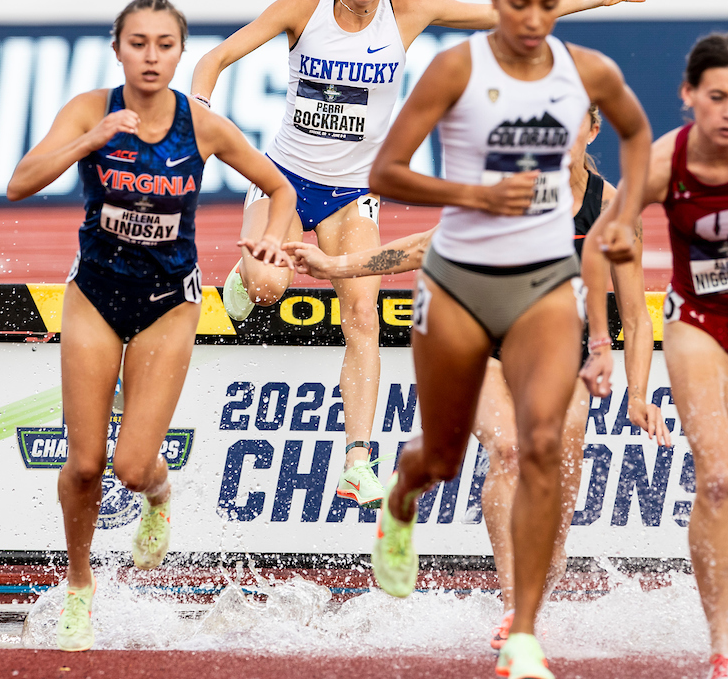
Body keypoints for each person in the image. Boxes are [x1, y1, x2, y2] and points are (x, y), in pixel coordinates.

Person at [189, 0, 652, 514]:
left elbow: (505, 14)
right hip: (285, 179)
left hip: (354, 193)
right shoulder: (304, 9)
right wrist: (200, 108)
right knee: (270, 288)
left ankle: (358, 460)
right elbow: (216, 58)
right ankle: (247, 280)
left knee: (362, 313)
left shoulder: (409, 13)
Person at [365, 0, 652, 679]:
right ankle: (401, 497)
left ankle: (522, 625)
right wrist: (473, 195)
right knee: (447, 453)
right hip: (460, 283)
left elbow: (640, 134)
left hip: (543, 290)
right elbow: (386, 172)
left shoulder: (588, 73)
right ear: (496, 3)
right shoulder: (457, 68)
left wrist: (625, 217)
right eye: (517, 4)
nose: (532, 20)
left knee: (539, 447)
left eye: (546, 6)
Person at [283, 106, 666, 652]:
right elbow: (424, 246)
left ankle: (535, 592)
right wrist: (338, 267)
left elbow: (634, 316)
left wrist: (640, 395)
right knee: (509, 449)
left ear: (593, 129)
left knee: (559, 469)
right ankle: (514, 611)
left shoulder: (613, 210)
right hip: (480, 338)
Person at [6, 0, 296, 652]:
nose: (151, 56)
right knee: (84, 465)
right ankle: (81, 585)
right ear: (118, 50)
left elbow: (280, 190)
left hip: (169, 302)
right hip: (96, 296)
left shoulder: (202, 126)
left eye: (165, 45)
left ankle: (158, 497)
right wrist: (92, 139)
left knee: (132, 468)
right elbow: (19, 183)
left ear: (179, 52)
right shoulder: (90, 110)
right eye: (138, 43)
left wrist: (273, 241)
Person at [583, 32, 728, 679]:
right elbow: (605, 239)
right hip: (699, 324)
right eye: (715, 97)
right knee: (716, 480)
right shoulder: (664, 162)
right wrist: (602, 342)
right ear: (689, 96)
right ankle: (722, 647)